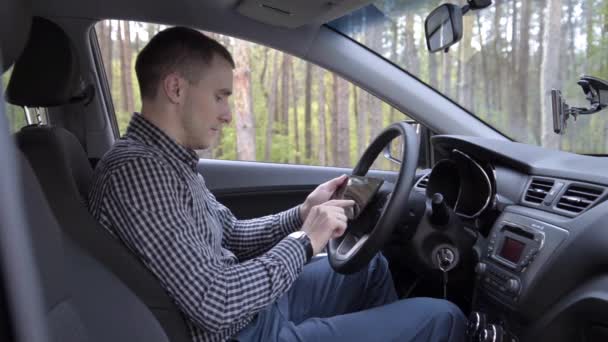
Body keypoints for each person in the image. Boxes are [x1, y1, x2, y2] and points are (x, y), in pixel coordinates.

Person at [88, 26, 466, 342]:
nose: (227, 115)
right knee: (443, 316)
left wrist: (303, 214)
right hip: (240, 332)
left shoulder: (170, 162)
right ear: (176, 89)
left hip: (252, 311)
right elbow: (217, 303)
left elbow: (231, 235)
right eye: (220, 96)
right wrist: (305, 241)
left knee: (370, 267)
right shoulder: (138, 172)